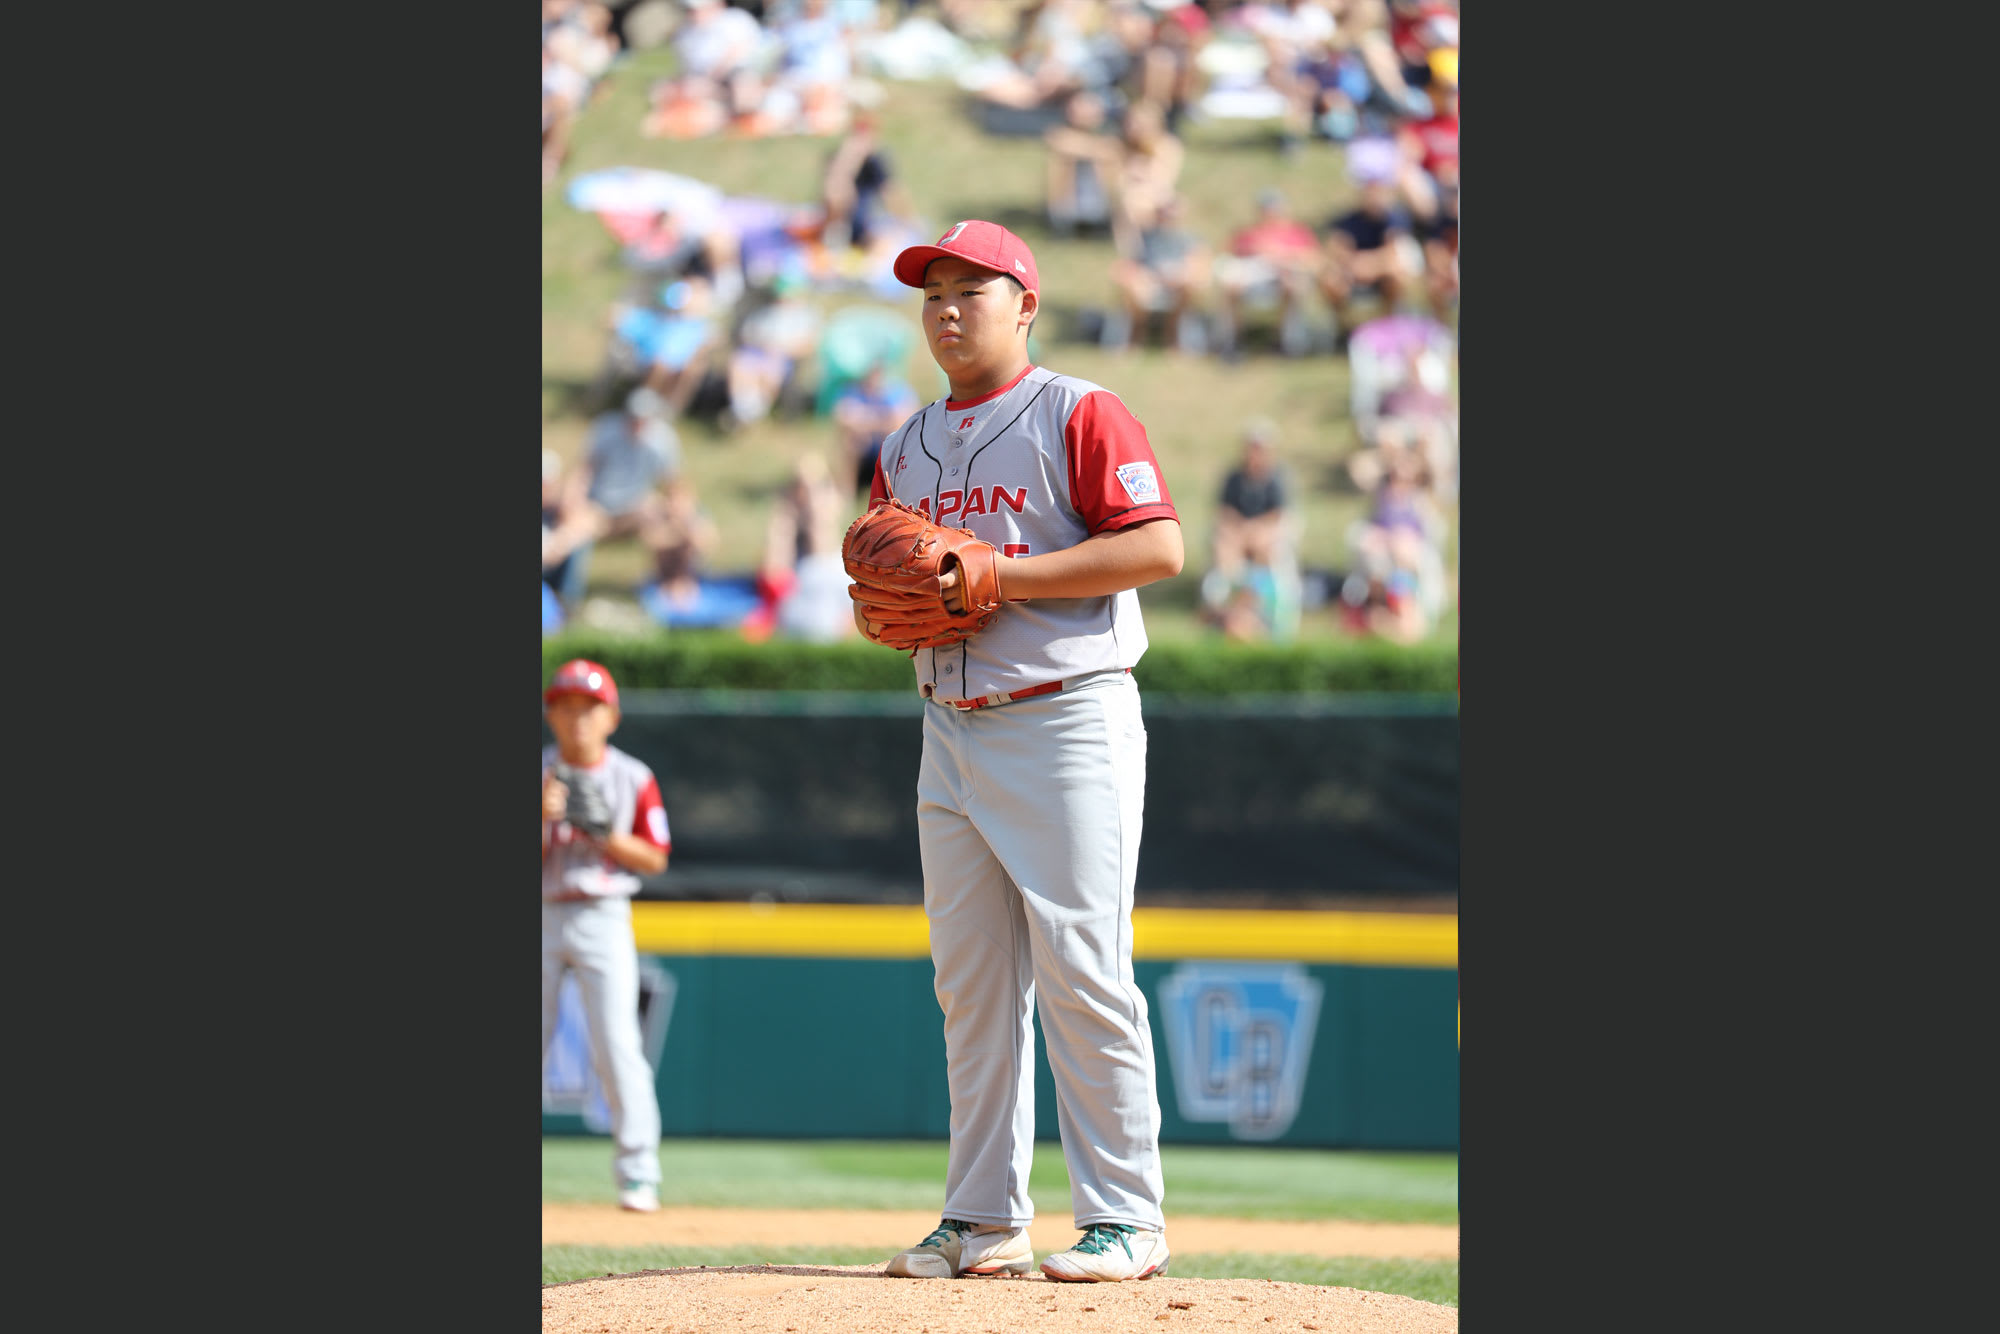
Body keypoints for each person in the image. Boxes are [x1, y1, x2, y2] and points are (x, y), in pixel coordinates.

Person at [860, 220, 1183, 1284]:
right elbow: (890, 576)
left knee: (1084, 967)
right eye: (931, 292)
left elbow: (1155, 545)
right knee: (971, 983)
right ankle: (982, 1214)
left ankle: (1126, 1217)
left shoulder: (1076, 410)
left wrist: (1000, 573)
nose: (946, 308)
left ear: (1024, 303)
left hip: (1064, 715)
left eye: (971, 288)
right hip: (947, 727)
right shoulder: (903, 443)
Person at [541, 659, 672, 1213]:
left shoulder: (632, 776)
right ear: (551, 714)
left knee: (618, 1045)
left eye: (588, 708)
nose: (577, 719)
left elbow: (656, 857)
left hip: (604, 910)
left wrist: (606, 835)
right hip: (544, 909)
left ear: (610, 716)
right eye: (566, 707)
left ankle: (638, 1173)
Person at [832, 360, 920, 496]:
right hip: (864, 455)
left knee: (893, 435)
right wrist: (881, 421)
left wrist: (867, 422)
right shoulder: (854, 392)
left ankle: (894, 492)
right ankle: (847, 492)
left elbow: (908, 420)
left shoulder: (898, 392)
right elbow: (843, 417)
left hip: (888, 451)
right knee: (851, 440)